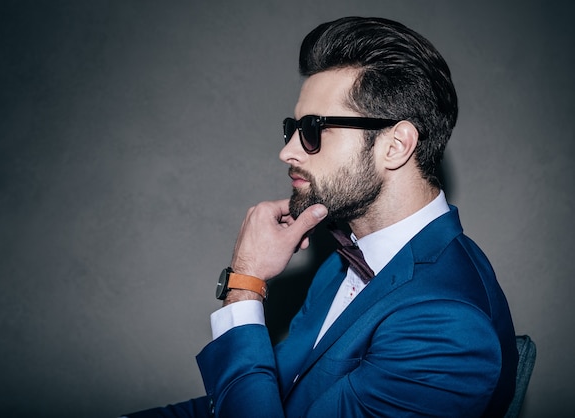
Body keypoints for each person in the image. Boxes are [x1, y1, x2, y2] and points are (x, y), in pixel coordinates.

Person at [122, 16, 518, 417]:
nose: (288, 151)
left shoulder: (446, 326)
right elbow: (265, 395)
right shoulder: (343, 260)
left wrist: (245, 285)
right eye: (292, 128)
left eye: (313, 128)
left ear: (396, 145)